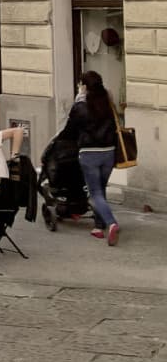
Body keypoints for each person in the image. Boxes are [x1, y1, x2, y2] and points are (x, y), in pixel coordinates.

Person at [64, 71, 121, 245]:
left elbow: (69, 130)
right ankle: (98, 226)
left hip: (89, 154)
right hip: (109, 152)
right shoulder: (107, 102)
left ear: (85, 86)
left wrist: (78, 99)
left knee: (95, 193)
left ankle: (111, 223)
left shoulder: (80, 106)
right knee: (100, 189)